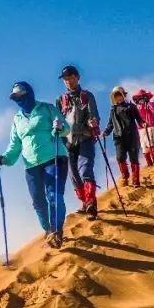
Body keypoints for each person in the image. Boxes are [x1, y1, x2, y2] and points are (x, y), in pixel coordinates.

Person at [0, 81, 70, 248]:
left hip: (54, 158)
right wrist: (4, 159)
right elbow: (15, 146)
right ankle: (48, 230)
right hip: (31, 165)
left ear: (29, 93)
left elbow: (65, 128)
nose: (18, 99)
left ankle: (57, 232)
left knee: (54, 196)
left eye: (21, 94)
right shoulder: (17, 119)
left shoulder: (47, 108)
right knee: (38, 202)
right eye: (15, 97)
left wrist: (58, 127)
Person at [57, 65, 101, 218]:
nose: (68, 81)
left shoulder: (87, 96)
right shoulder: (60, 100)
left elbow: (94, 115)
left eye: (70, 77)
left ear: (77, 77)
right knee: (73, 175)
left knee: (85, 170)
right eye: (65, 79)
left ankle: (91, 203)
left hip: (85, 138)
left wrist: (92, 122)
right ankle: (84, 202)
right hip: (67, 143)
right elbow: (58, 121)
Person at [104, 86, 143, 187]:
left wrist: (143, 123)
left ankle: (135, 181)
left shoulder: (131, 106)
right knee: (120, 157)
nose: (118, 97)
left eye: (119, 95)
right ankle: (125, 176)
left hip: (132, 136)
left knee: (134, 158)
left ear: (123, 95)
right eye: (116, 96)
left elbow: (139, 119)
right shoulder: (113, 110)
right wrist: (105, 132)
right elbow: (110, 124)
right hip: (119, 137)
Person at [134, 89, 154, 167]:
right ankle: (149, 162)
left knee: (151, 143)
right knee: (143, 145)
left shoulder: (149, 104)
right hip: (141, 128)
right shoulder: (136, 107)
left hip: (150, 126)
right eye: (139, 97)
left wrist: (149, 104)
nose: (141, 98)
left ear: (146, 97)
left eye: (143, 97)